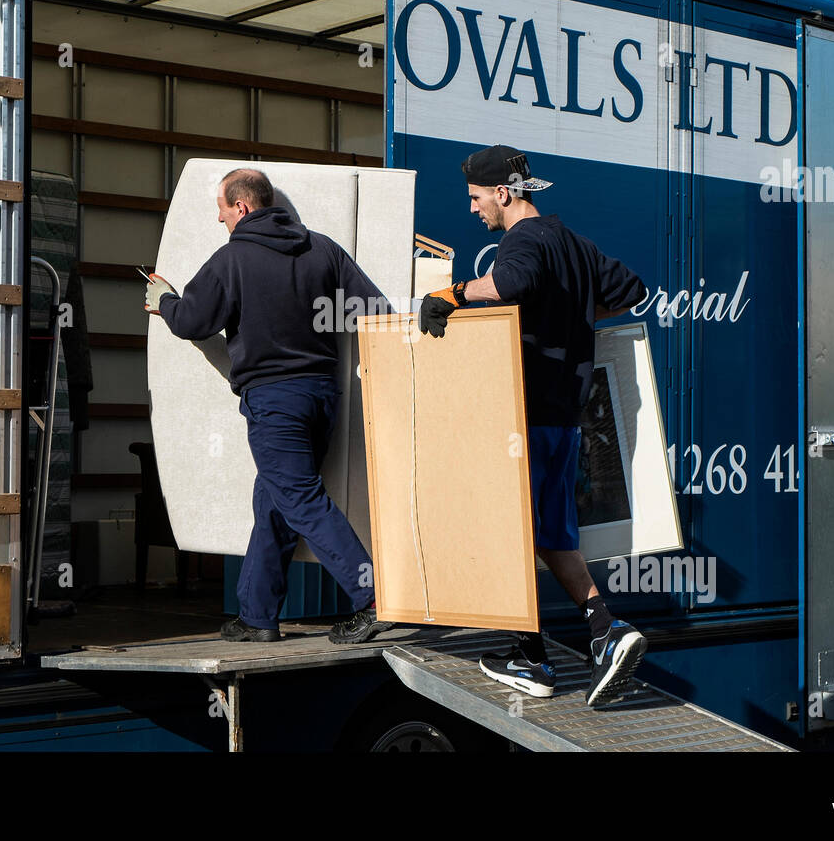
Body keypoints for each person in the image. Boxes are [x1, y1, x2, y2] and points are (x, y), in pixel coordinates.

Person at [416, 144, 648, 706]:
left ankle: (532, 660)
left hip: (522, 413)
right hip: (565, 418)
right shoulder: (574, 243)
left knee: (506, 533)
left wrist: (447, 295)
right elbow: (633, 291)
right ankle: (606, 631)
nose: (473, 210)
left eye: (476, 198)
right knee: (549, 534)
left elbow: (508, 284)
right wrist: (573, 319)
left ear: (503, 192)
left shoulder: (522, 240)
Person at [144, 168, 394, 645]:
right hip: (322, 397)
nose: (219, 219)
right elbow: (375, 310)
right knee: (274, 501)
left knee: (298, 499)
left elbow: (195, 321)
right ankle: (257, 615)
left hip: (274, 402)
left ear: (241, 206)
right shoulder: (322, 249)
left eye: (220, 209)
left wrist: (166, 301)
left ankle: (373, 597)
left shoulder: (232, 258)